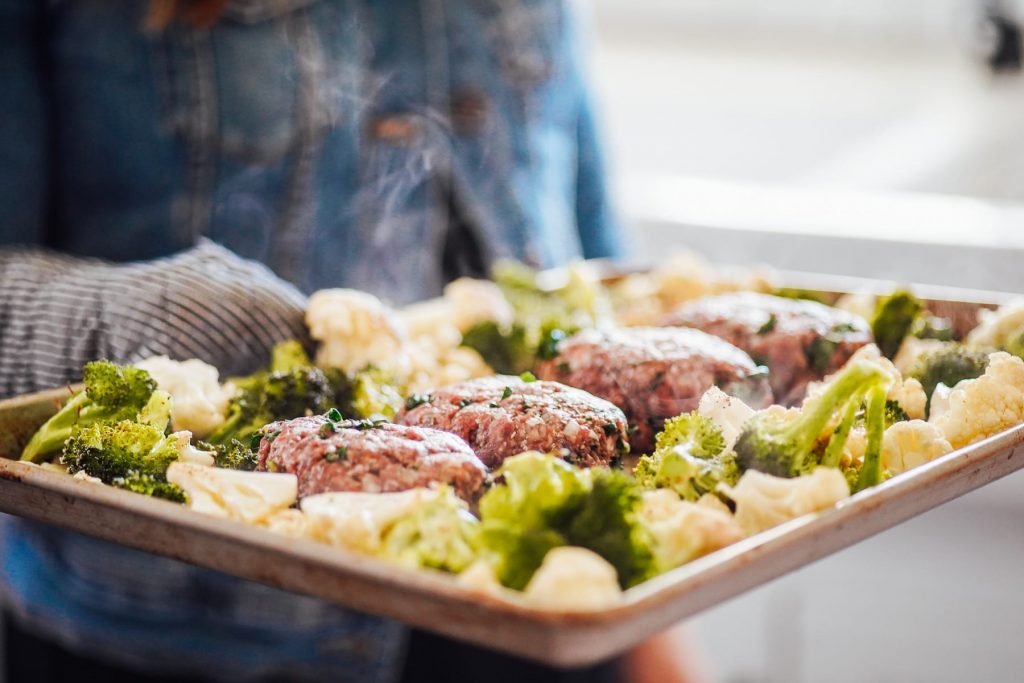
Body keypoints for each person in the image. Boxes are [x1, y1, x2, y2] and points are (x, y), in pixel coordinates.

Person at [0, 1, 680, 681]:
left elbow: (593, 267)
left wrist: (649, 622)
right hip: (186, 637)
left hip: (538, 608)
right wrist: (123, 321)